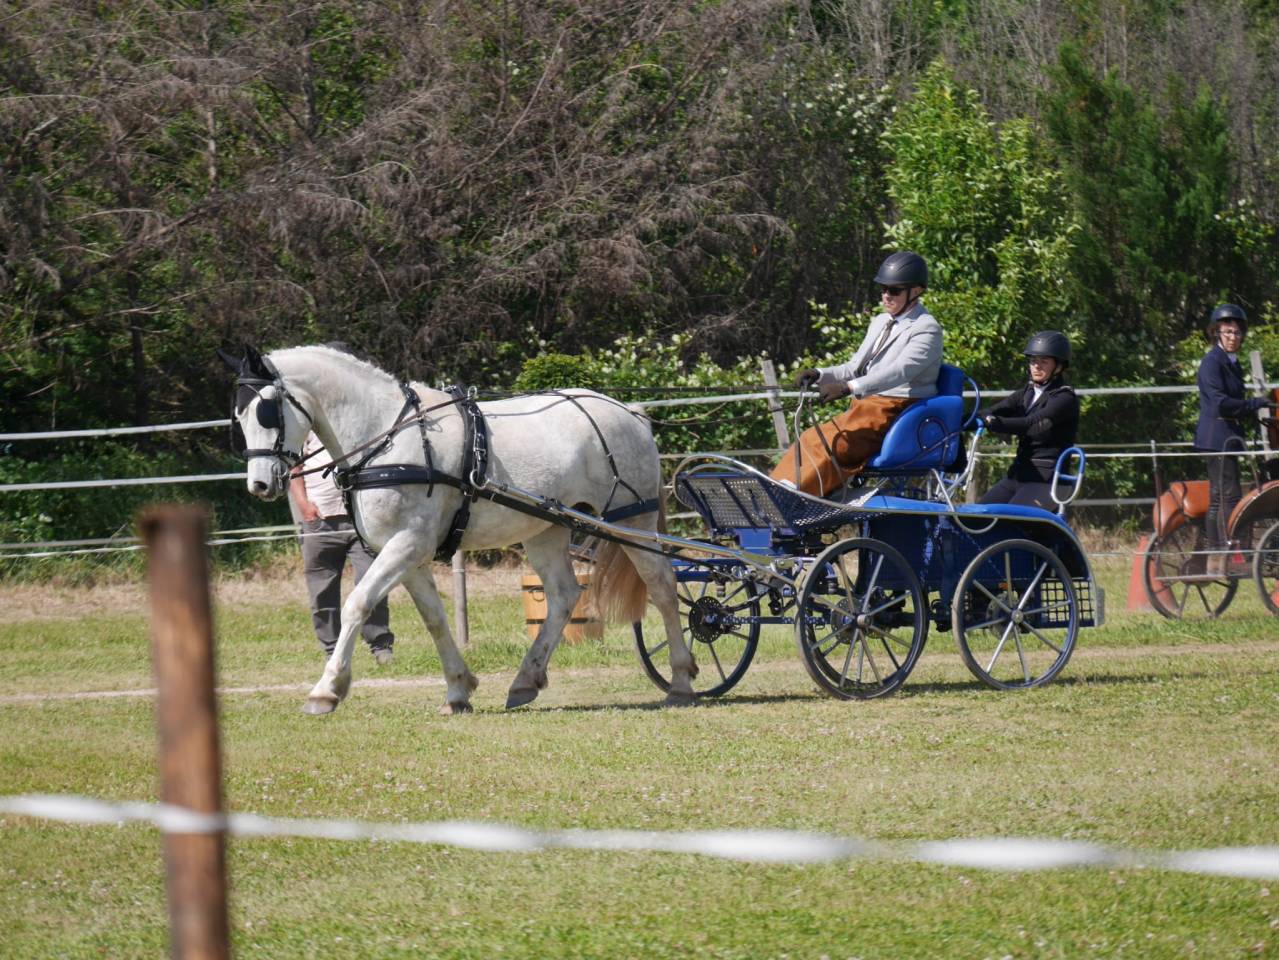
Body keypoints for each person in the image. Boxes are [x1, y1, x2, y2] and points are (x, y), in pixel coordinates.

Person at [772, 251, 943, 496]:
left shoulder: (927, 328)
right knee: (810, 437)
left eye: (894, 290)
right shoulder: (881, 321)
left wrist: (849, 387)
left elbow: (900, 371)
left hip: (895, 410)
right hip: (864, 408)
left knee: (836, 444)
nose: (886, 295)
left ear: (915, 291)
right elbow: (854, 367)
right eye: (883, 289)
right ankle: (777, 491)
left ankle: (794, 498)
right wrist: (820, 374)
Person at [289, 430, 396, 664]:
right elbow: (294, 469)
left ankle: (380, 645)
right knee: (322, 590)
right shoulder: (305, 427)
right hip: (319, 520)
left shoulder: (355, 422)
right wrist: (304, 505)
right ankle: (332, 651)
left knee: (372, 580)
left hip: (360, 520)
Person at [1195, 304, 1272, 577]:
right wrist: (1253, 404)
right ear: (1217, 333)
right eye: (1227, 332)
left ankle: (1220, 554)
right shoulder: (1212, 362)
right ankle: (1224, 552)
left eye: (1237, 333)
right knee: (1226, 496)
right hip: (1216, 437)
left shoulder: (1231, 363)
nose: (1233, 337)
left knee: (1222, 496)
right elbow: (1221, 403)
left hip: (1227, 436)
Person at [978, 331, 1080, 511]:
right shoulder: (1027, 393)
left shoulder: (1064, 398)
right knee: (976, 515)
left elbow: (1032, 425)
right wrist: (965, 421)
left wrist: (996, 423)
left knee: (1010, 519)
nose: (1036, 366)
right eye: (1033, 361)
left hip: (1048, 480)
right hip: (1018, 475)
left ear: (1059, 366)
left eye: (1044, 361)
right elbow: (991, 411)